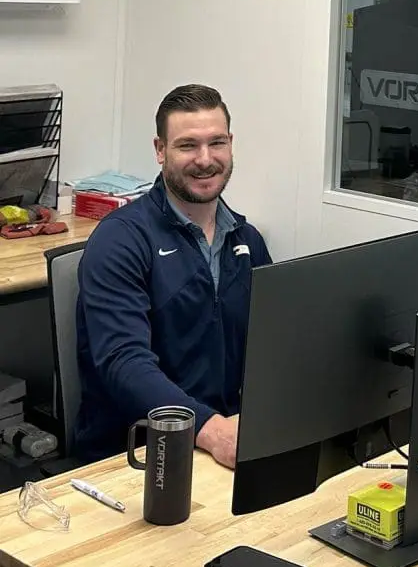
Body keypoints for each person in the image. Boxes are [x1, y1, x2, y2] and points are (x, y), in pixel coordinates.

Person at [73, 85, 272, 468]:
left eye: (216, 143)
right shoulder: (121, 241)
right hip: (136, 456)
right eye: (187, 146)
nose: (205, 159)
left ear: (231, 144)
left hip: (219, 447)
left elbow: (273, 345)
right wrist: (211, 430)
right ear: (160, 150)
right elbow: (124, 362)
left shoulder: (247, 242)